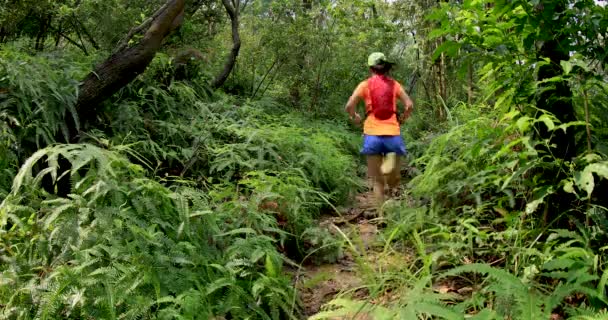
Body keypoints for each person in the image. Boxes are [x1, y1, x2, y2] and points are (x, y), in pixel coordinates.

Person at [344, 52, 414, 208]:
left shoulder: (364, 85)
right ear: (386, 67)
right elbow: (409, 105)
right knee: (392, 178)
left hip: (372, 137)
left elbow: (349, 106)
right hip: (392, 137)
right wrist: (402, 118)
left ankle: (382, 216)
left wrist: (355, 116)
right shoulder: (395, 84)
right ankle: (394, 203)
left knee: (377, 181)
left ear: (371, 68)